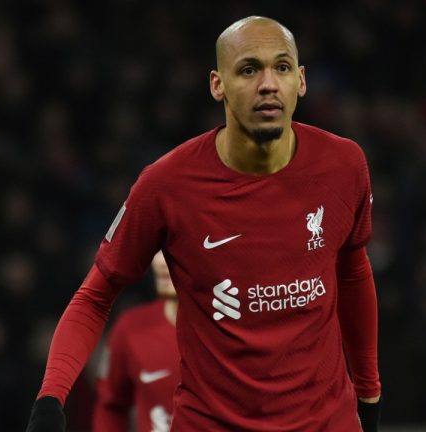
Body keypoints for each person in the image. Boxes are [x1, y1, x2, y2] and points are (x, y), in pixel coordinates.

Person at [26, 16, 381, 432]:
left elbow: (353, 270)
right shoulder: (166, 185)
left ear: (301, 81)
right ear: (217, 85)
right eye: (249, 69)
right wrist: (49, 401)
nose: (268, 84)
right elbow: (94, 297)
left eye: (281, 68)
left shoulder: (344, 165)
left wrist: (369, 393)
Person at [93, 251, 179, 432]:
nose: (160, 262)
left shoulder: (234, 332)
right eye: (158, 250)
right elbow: (110, 405)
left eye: (174, 248)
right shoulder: (131, 329)